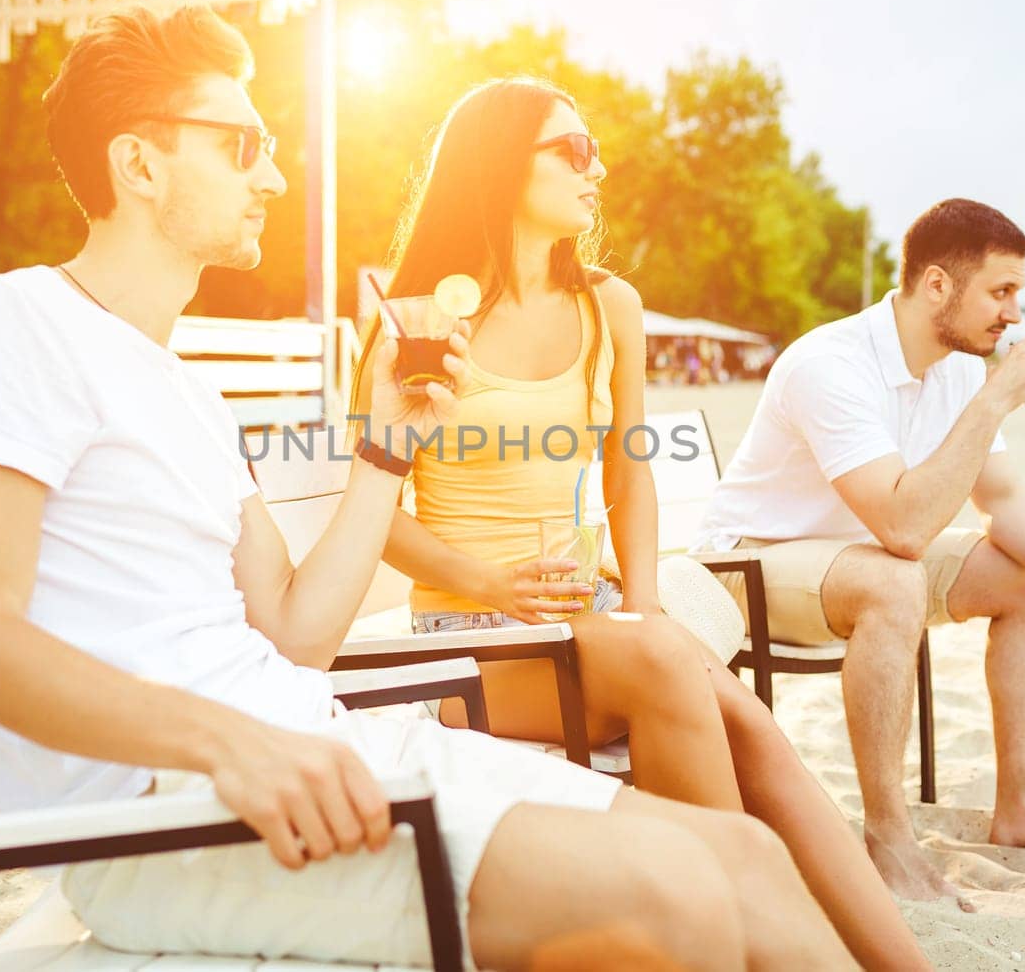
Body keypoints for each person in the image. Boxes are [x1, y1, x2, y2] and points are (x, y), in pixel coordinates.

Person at [0, 5, 853, 970]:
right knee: (681, 902)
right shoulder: (10, 322)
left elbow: (296, 633)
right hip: (175, 818)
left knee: (744, 858)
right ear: (139, 166)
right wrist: (233, 743)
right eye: (242, 145)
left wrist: (388, 450)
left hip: (311, 748)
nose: (272, 174)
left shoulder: (187, 391)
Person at [352, 77, 926, 970]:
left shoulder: (609, 306)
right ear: (504, 166)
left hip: (589, 615)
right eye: (572, 151)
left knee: (753, 731)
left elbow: (628, 468)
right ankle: (746, 944)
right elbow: (375, 515)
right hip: (464, 638)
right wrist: (493, 583)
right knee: (667, 665)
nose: (599, 168)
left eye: (595, 150)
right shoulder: (420, 317)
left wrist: (645, 599)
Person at [693, 197, 1025, 907]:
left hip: (859, 556)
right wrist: (998, 397)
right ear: (937, 284)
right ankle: (889, 836)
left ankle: (1023, 804)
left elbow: (997, 497)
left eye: (1018, 294)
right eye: (1001, 292)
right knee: (895, 579)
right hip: (748, 564)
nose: (1013, 314)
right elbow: (904, 529)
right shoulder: (831, 362)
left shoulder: (958, 367)